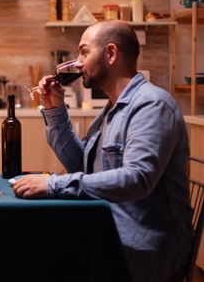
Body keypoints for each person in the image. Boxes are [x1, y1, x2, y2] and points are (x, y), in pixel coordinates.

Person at [13, 20, 193, 282]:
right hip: (111, 227)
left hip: (146, 246)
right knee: (34, 244)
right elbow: (82, 165)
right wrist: (54, 111)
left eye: (84, 52)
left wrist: (53, 184)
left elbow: (137, 179)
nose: (77, 62)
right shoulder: (112, 107)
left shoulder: (151, 105)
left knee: (44, 257)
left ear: (110, 54)